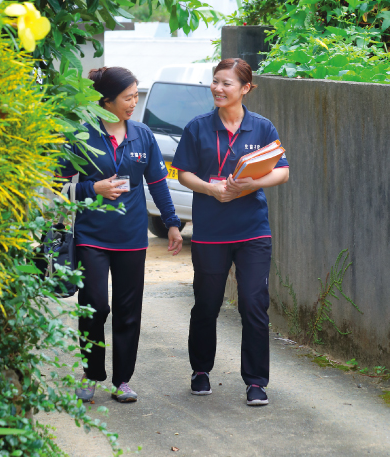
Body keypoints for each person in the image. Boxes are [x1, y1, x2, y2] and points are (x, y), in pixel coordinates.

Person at [58, 66, 183, 403]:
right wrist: (91, 188)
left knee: (128, 309)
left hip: (131, 237)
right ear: (106, 101)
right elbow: (58, 185)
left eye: (135, 95)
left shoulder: (142, 135)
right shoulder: (81, 135)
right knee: (95, 305)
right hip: (91, 234)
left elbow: (157, 183)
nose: (133, 102)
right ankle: (92, 373)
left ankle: (122, 380)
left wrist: (172, 222)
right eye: (128, 97)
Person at [171, 58, 289, 406]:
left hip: (253, 230)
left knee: (254, 304)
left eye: (226, 84)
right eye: (215, 82)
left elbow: (281, 172)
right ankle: (201, 370)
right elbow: (183, 174)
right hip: (210, 232)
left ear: (246, 88)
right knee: (207, 304)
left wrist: (248, 186)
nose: (218, 89)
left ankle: (255, 381)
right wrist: (211, 189)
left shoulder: (262, 127)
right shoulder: (198, 127)